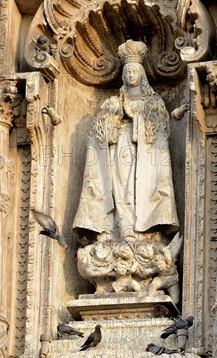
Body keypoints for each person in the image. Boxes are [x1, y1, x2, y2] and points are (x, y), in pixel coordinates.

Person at [73, 40, 181, 241]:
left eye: (135, 71)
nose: (131, 75)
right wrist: (114, 119)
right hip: (120, 148)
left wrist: (137, 118)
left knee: (140, 188)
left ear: (141, 75)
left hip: (145, 154)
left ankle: (144, 232)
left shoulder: (153, 102)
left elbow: (160, 129)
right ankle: (122, 227)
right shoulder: (113, 102)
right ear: (123, 76)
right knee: (120, 188)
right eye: (128, 72)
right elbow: (98, 131)